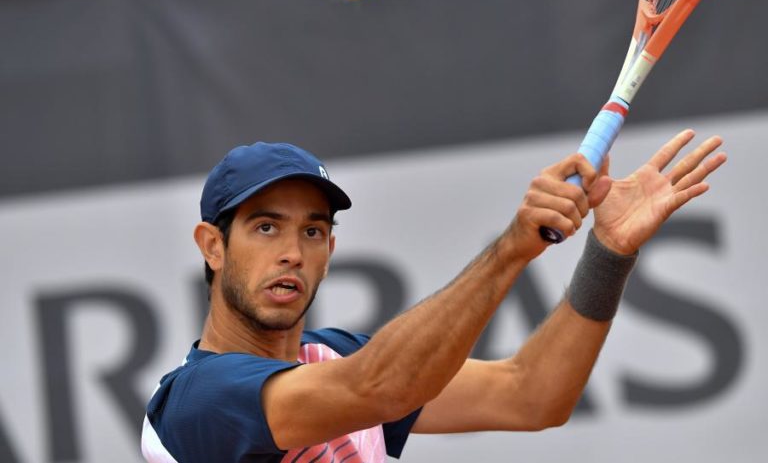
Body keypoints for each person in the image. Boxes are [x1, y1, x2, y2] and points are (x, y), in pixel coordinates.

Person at [141, 131, 726, 463]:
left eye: (312, 231)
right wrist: (513, 248)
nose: (293, 251)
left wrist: (609, 251)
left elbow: (532, 395)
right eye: (266, 227)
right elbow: (379, 386)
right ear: (212, 247)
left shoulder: (333, 358)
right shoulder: (199, 399)